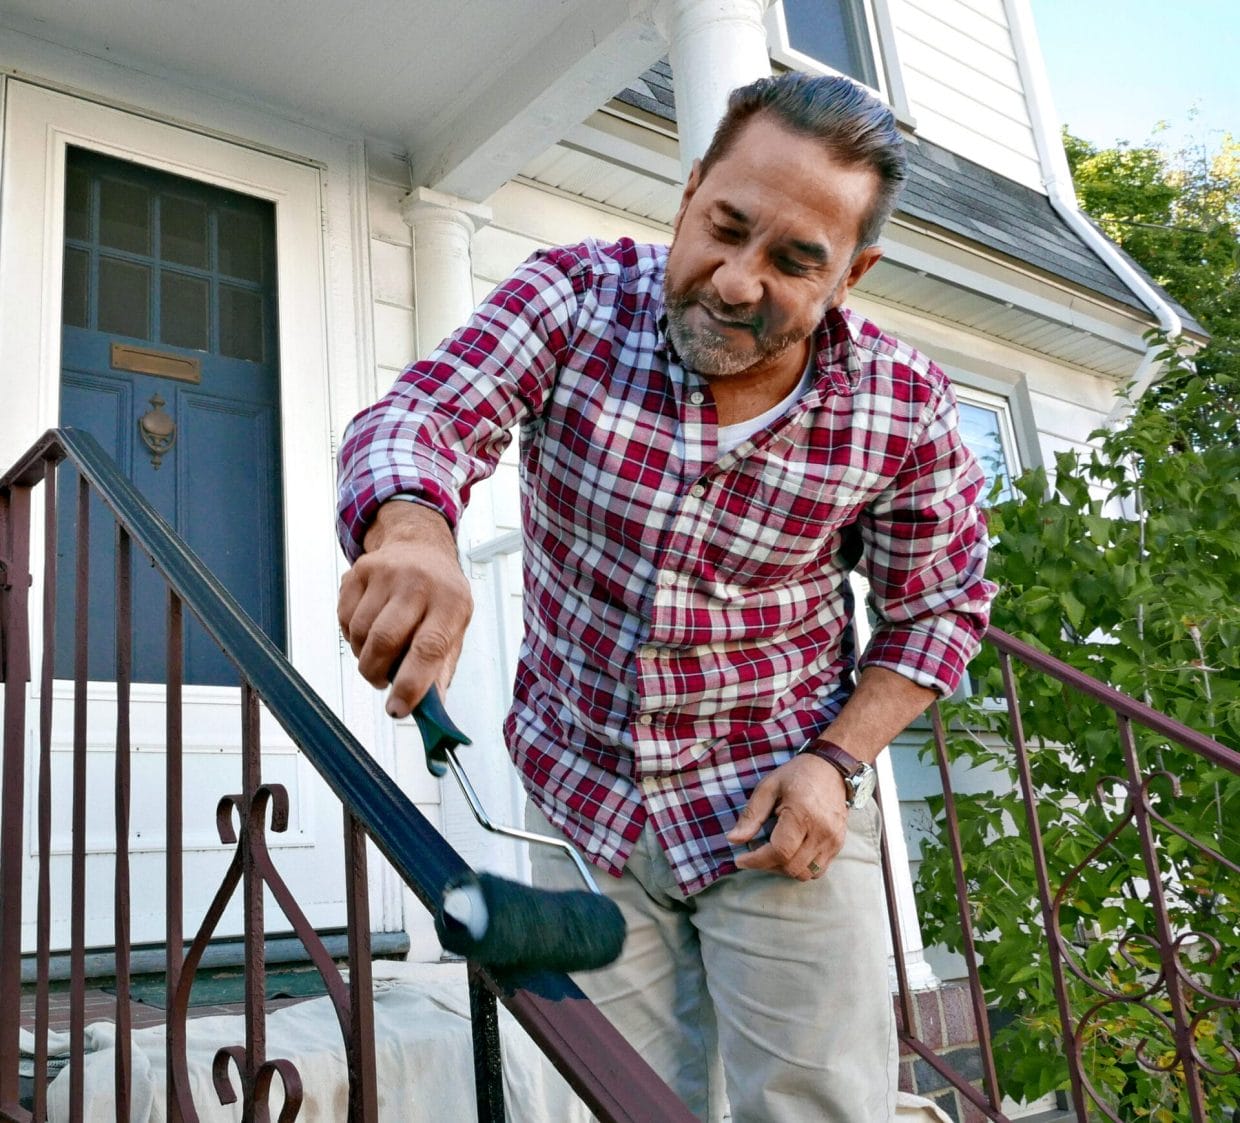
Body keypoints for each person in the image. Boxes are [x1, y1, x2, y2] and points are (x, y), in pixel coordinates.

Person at [337, 71, 995, 1123]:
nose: (735, 283)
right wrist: (414, 528)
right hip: (582, 790)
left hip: (779, 802)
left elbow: (941, 608)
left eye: (792, 261)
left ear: (851, 274)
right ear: (688, 193)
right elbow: (424, 415)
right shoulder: (573, 297)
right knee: (618, 1103)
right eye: (722, 228)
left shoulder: (902, 407)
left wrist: (835, 762)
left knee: (818, 1105)